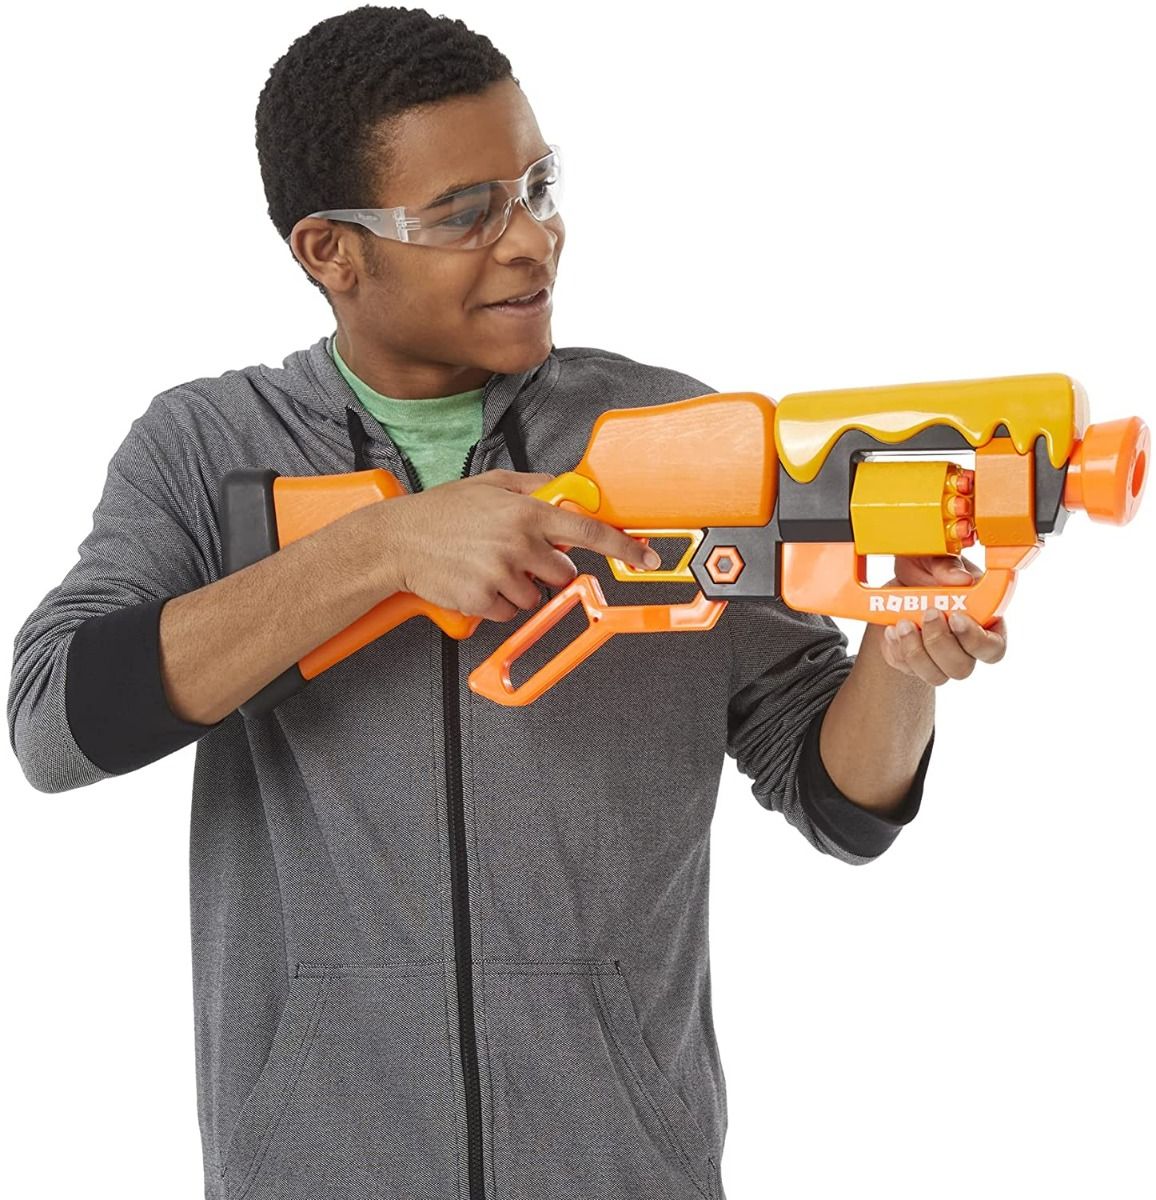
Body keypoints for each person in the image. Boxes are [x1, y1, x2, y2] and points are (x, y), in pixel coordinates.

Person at [6, 6, 1006, 1198]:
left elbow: (833, 796)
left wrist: (900, 661)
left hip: (623, 1169)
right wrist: (380, 549)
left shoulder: (673, 437)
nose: (533, 239)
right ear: (328, 251)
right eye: (465, 212)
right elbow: (55, 726)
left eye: (537, 186)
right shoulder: (203, 446)